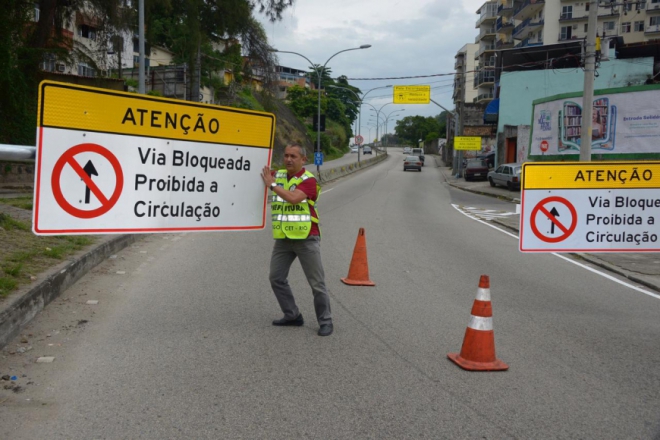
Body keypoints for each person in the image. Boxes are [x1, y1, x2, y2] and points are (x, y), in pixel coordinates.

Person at [261, 144, 333, 337]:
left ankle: (325, 321)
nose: (288, 159)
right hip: (284, 238)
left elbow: (293, 198)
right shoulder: (280, 175)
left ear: (303, 159)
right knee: (276, 277)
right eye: (285, 155)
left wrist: (272, 185)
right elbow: (259, 173)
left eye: (293, 156)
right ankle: (292, 315)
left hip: (306, 237)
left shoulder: (308, 180)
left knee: (317, 284)